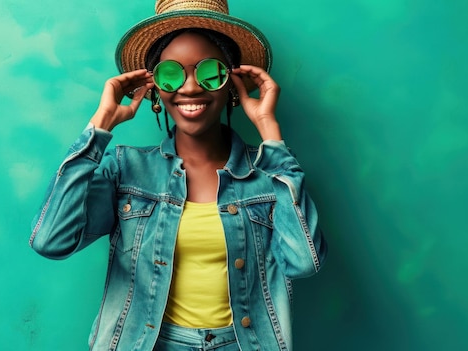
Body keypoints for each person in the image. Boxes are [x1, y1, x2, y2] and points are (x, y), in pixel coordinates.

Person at [29, 0, 327, 350]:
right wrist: (100, 126)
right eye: (171, 74)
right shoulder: (125, 171)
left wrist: (270, 133)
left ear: (231, 83)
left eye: (209, 72)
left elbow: (304, 262)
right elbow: (51, 241)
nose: (189, 88)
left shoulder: (268, 174)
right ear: (153, 86)